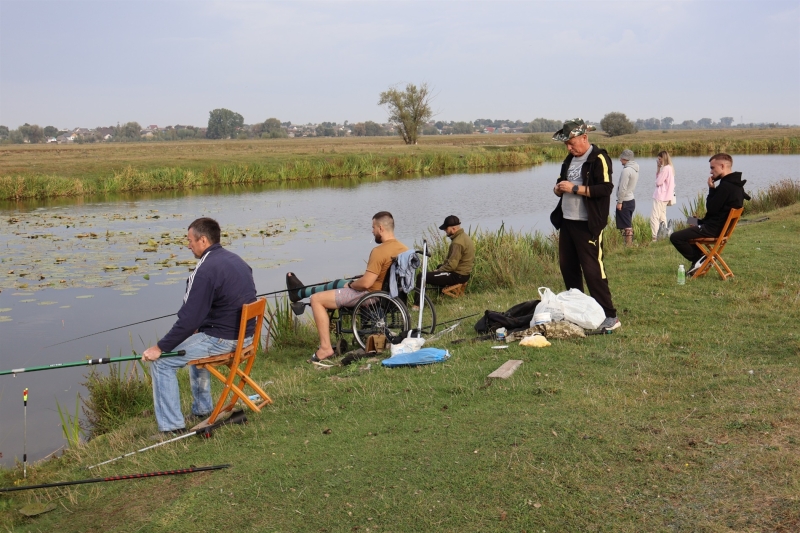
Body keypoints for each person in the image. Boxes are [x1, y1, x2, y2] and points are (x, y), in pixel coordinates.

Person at [142, 218, 256, 436]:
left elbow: (188, 321)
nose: (188, 245)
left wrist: (159, 348)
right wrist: (199, 326)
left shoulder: (204, 270)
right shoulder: (237, 260)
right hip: (247, 337)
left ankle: (171, 427)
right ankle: (203, 409)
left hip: (224, 339)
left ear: (203, 240)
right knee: (196, 337)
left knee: (163, 362)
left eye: (190, 240)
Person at [304, 211, 407, 363]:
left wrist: (351, 284)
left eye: (373, 228)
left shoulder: (379, 251)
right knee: (337, 287)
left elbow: (366, 284)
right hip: (391, 294)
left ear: (380, 228)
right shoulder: (403, 248)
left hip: (370, 295)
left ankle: (325, 348)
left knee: (316, 299)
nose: (372, 231)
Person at [550, 118, 620, 330]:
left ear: (584, 137)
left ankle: (610, 315)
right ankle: (578, 311)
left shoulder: (599, 158)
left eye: (572, 143)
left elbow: (605, 189)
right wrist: (558, 189)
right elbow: (560, 184)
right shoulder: (569, 160)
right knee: (568, 267)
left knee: (592, 270)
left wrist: (574, 189)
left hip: (587, 223)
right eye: (566, 145)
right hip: (567, 221)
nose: (569, 148)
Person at [670, 153, 750, 275]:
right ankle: (701, 257)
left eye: (713, 168)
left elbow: (711, 208)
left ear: (722, 166)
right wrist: (699, 221)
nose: (711, 172)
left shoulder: (726, 187)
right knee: (690, 220)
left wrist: (711, 189)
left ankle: (698, 258)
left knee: (675, 237)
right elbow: (716, 212)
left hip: (713, 229)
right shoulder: (736, 185)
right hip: (717, 226)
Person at [413, 215, 475, 306]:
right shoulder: (464, 237)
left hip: (457, 276)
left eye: (446, 229)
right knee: (439, 267)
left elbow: (452, 266)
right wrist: (440, 268)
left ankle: (417, 305)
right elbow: (451, 262)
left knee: (421, 276)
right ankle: (441, 297)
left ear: (453, 228)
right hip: (464, 274)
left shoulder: (457, 243)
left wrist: (438, 271)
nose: (445, 231)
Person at [615, 149, 639, 246]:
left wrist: (620, 202)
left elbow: (623, 188)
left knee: (627, 226)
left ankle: (628, 246)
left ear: (626, 159)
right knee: (627, 223)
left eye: (621, 158)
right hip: (631, 200)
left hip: (625, 201)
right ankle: (628, 244)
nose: (620, 160)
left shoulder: (626, 171)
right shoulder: (635, 168)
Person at [650, 150, 675, 241]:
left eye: (659, 159)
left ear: (663, 158)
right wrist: (658, 169)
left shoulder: (666, 169)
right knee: (662, 216)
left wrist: (659, 170)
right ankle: (663, 235)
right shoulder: (670, 168)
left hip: (661, 196)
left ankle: (655, 237)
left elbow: (658, 182)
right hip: (666, 197)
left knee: (654, 217)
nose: (659, 161)